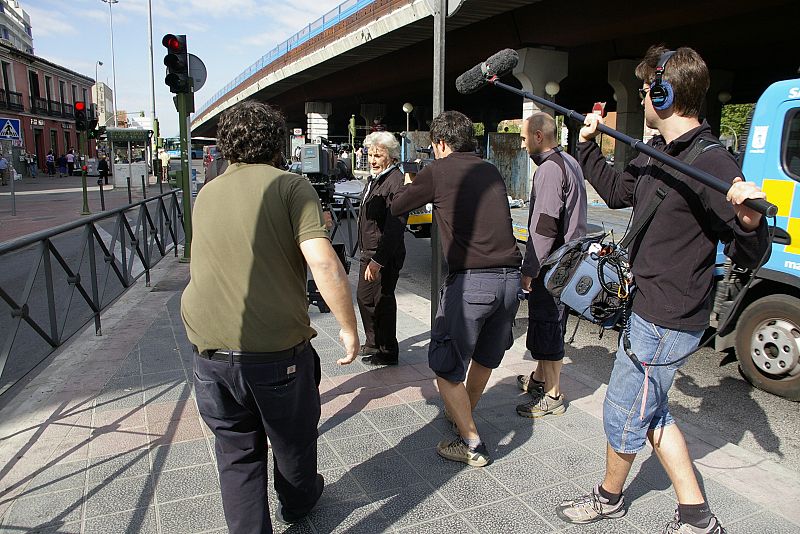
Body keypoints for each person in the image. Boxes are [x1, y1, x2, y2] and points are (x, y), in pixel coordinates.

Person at [556, 45, 769, 534]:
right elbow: (618, 192)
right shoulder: (660, 151)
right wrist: (586, 144)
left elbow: (748, 255)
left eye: (647, 87)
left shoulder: (714, 164)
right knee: (652, 410)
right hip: (645, 308)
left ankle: (608, 497)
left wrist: (749, 222)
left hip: (667, 318)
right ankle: (696, 512)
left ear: (665, 93)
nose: (643, 95)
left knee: (624, 412)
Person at [181, 100, 360, 533]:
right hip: (275, 351)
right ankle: (298, 504)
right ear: (278, 142)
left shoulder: (206, 192)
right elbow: (324, 264)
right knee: (292, 441)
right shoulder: (290, 185)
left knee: (237, 455)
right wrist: (349, 327)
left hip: (209, 352)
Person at [391, 110, 522, 467]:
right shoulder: (490, 168)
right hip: (510, 281)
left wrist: (411, 178)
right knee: (484, 357)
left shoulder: (437, 170)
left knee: (446, 367)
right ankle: (464, 416)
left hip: (472, 284)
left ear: (442, 142)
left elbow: (398, 206)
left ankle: (472, 443)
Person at [515, 112, 587, 418]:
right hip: (570, 260)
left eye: (522, 137)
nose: (521, 144)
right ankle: (539, 379)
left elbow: (543, 229)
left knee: (548, 324)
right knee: (549, 322)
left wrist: (529, 270)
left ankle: (553, 394)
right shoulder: (569, 161)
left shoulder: (548, 171)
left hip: (553, 264)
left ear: (538, 137)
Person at [356, 131, 407, 366]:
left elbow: (395, 227)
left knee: (382, 301)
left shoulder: (395, 181)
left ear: (391, 156)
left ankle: (387, 351)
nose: (373, 159)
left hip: (382, 254)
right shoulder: (376, 178)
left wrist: (379, 260)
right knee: (365, 298)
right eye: (371, 154)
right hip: (369, 252)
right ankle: (374, 341)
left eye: (378, 155)